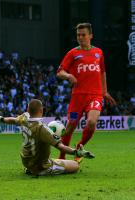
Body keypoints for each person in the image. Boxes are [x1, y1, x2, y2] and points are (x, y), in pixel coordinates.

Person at [57, 23, 116, 162]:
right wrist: (68, 76)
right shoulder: (73, 53)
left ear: (91, 35)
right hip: (78, 96)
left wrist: (105, 91)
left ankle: (79, 147)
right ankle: (62, 157)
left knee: (91, 122)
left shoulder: (99, 52)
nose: (80, 37)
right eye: (78, 35)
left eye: (83, 34)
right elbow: (60, 72)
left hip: (95, 95)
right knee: (70, 126)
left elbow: (102, 72)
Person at [0, 99, 94, 176]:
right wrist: (78, 153)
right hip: (41, 166)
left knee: (54, 159)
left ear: (28, 110)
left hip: (26, 162)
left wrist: (2, 119)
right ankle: (39, 170)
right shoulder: (43, 129)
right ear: (41, 110)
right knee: (75, 165)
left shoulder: (23, 119)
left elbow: (13, 120)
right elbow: (61, 147)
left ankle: (30, 168)